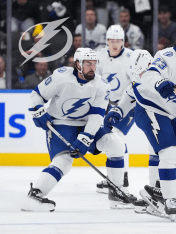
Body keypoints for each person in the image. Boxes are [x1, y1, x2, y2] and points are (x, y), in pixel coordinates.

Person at [104, 30, 176, 220]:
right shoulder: (164, 58)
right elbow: (146, 79)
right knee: (166, 151)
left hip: (175, 113)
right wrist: (117, 111)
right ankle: (164, 197)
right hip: (151, 110)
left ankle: (174, 193)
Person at [21, 48, 138, 212]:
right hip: (61, 123)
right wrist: (38, 110)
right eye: (88, 64)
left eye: (94, 64)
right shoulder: (61, 77)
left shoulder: (101, 85)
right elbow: (36, 94)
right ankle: (35, 195)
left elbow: (97, 116)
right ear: (77, 64)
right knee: (64, 161)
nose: (92, 67)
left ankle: (117, 192)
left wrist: (85, 137)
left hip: (86, 123)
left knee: (116, 144)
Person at [95, 25, 151, 194]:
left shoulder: (130, 57)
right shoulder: (100, 56)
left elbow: (137, 82)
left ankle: (121, 179)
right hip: (109, 105)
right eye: (112, 41)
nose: (115, 44)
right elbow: (96, 79)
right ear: (107, 41)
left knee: (116, 138)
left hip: (129, 104)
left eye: (118, 41)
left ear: (123, 41)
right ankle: (115, 178)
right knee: (111, 139)